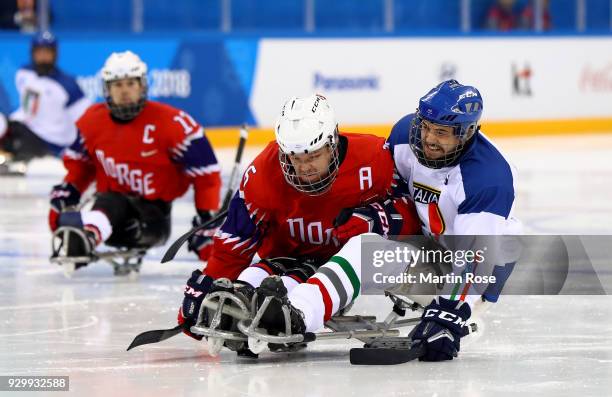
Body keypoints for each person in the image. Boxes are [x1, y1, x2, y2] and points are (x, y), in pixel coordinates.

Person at [177, 94, 421, 347]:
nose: (305, 168)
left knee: (361, 250)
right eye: (295, 158)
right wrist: (206, 293)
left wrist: (377, 219)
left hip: (345, 268)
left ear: (332, 143)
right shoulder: (263, 173)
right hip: (285, 262)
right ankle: (244, 298)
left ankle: (298, 312)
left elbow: (414, 217)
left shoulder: (374, 160)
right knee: (255, 281)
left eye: (313, 156)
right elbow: (235, 243)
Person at [48, 50, 221, 274]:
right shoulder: (91, 121)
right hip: (111, 217)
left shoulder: (173, 123)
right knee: (109, 201)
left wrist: (207, 218)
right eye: (117, 85)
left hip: (153, 220)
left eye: (131, 83)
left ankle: (87, 235)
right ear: (107, 89)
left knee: (111, 201)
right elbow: (81, 168)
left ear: (142, 85)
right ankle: (86, 234)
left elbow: (206, 174)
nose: (125, 91)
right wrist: (68, 193)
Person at [0, 31, 89, 174]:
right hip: (26, 128)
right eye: (39, 52)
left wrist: (72, 153)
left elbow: (85, 123)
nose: (43, 57)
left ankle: (20, 164)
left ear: (55, 54)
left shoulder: (69, 86)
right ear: (33, 52)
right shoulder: (24, 73)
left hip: (50, 142)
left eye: (47, 52)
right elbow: (28, 108)